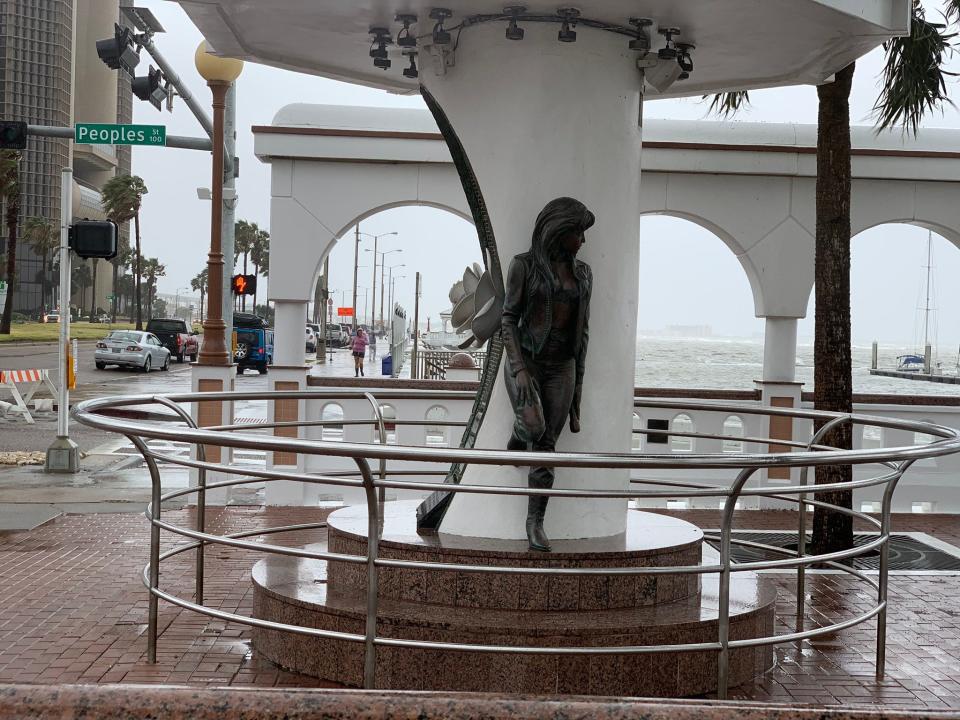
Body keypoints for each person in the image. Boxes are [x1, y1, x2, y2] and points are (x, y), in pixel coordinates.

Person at [502, 197, 594, 552]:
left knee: (545, 445)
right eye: (578, 233)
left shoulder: (583, 274)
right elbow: (508, 320)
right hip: (526, 360)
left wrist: (577, 397)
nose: (583, 241)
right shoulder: (523, 266)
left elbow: (583, 334)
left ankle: (535, 521)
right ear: (560, 230)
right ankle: (518, 432)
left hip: (562, 366)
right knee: (534, 427)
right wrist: (520, 369)